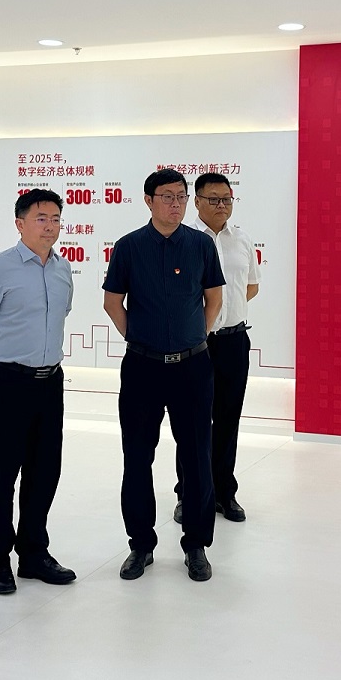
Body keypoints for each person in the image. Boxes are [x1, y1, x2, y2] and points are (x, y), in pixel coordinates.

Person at [102, 168, 224, 582]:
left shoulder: (201, 245)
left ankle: (196, 545)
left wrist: (195, 338)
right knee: (138, 456)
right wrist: (139, 339)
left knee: (196, 456)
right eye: (167, 196)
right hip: (143, 367)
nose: (176, 204)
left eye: (181, 197)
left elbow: (213, 298)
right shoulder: (129, 246)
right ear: (148, 200)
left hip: (193, 367)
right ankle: (140, 545)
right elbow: (113, 302)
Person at [0, 188, 76, 595]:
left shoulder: (62, 269)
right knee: (2, 473)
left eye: (56, 219)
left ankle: (33, 553)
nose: (50, 226)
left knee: (45, 471)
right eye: (41, 218)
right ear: (20, 223)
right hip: (8, 381)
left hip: (50, 382)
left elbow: (62, 314)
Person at [172, 171, 260, 526]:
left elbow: (250, 287)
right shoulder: (183, 240)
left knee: (228, 419)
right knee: (192, 423)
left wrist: (226, 314)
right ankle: (188, 494)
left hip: (234, 342)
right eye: (213, 199)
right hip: (196, 345)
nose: (222, 205)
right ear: (197, 201)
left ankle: (224, 491)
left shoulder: (242, 239)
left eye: (226, 199)